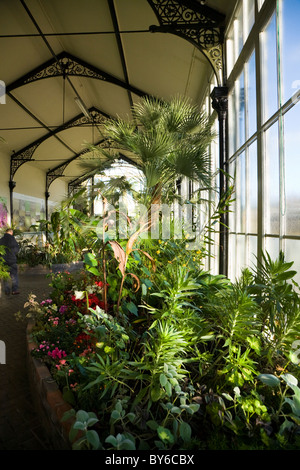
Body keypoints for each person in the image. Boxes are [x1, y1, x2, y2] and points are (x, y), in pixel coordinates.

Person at [0, 228, 20, 295]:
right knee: (14, 275)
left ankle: (7, 290)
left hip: (3, 260)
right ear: (11, 232)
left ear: (6, 232)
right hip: (12, 260)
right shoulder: (12, 239)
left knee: (5, 276)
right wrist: (12, 253)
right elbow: (17, 249)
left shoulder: (1, 239)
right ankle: (14, 290)